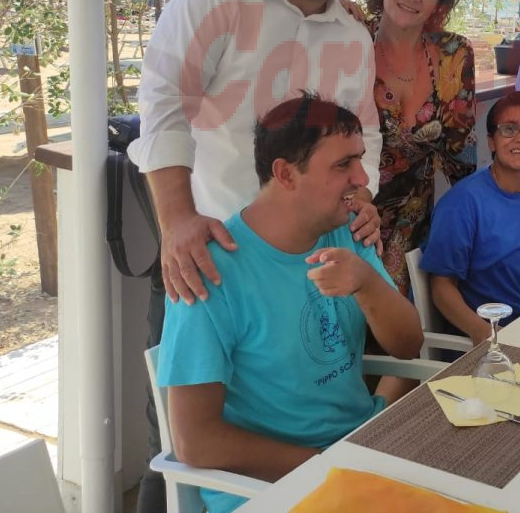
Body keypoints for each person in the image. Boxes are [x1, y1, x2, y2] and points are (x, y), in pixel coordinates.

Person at [128, 0, 382, 509]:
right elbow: (162, 104)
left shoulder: (353, 35)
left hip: (306, 254)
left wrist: (359, 195)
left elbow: (362, 129)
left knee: (312, 389)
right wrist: (177, 219)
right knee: (192, 418)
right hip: (212, 252)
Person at [157, 95, 423, 513]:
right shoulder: (208, 270)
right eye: (342, 165)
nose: (361, 178)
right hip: (268, 489)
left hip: (360, 453)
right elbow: (195, 441)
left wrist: (367, 282)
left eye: (360, 159)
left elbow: (408, 345)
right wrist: (325, 467)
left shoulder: (345, 228)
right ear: (285, 174)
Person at [364, 0, 477, 295]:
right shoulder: (348, 41)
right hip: (347, 218)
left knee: (399, 335)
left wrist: (487, 215)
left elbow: (460, 150)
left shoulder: (453, 54)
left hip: (412, 224)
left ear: (437, 5)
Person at [422, 92, 520, 339]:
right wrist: (486, 335)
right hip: (493, 338)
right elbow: (442, 288)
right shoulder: (462, 203)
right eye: (509, 129)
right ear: (491, 141)